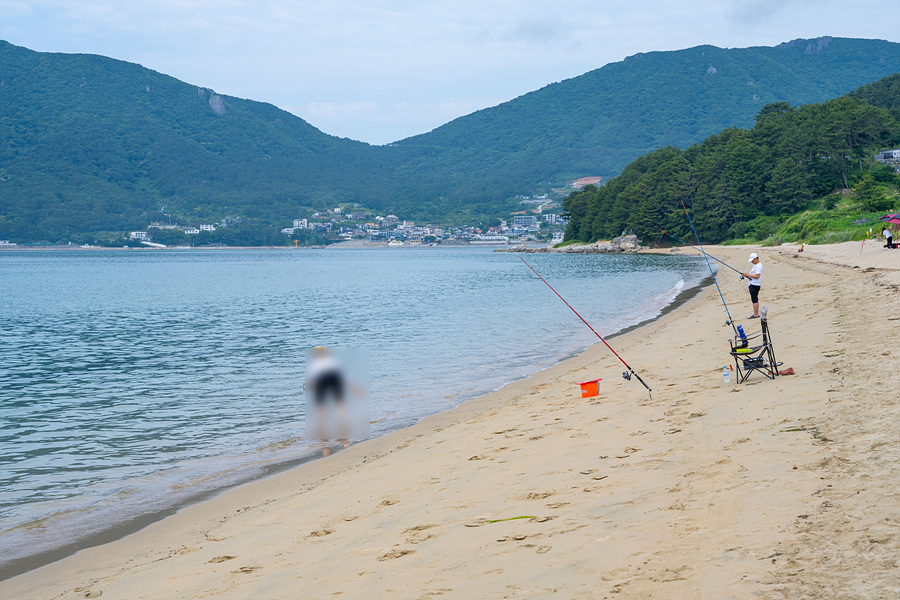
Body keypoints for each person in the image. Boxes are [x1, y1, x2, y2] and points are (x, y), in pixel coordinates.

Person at [742, 253, 763, 319]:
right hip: (752, 283)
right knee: (754, 298)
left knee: (754, 299)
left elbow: (757, 276)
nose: (751, 261)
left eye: (752, 260)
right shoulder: (755, 265)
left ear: (756, 258)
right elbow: (753, 275)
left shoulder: (759, 266)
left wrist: (748, 275)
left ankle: (756, 314)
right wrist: (746, 275)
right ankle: (756, 313)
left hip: (755, 284)